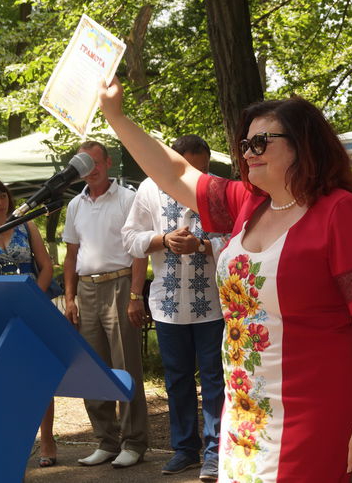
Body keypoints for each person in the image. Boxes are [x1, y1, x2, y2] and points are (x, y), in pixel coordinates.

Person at [98, 79, 352, 483]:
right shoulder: (248, 204)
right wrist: (116, 116)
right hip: (243, 412)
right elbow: (174, 171)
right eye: (245, 143)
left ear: (304, 144)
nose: (247, 152)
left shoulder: (342, 213)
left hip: (313, 413)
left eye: (261, 142)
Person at [121, 135, 226, 480]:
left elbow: (237, 239)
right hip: (167, 304)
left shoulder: (219, 190)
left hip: (212, 304)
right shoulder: (149, 189)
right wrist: (163, 240)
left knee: (214, 380)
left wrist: (203, 246)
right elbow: (130, 239)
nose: (198, 175)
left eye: (203, 168)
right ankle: (185, 449)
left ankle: (215, 452)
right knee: (177, 380)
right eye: (190, 168)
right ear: (173, 163)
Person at [62, 141, 150, 468]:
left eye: (96, 163)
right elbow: (71, 255)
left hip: (121, 282)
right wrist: (69, 299)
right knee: (92, 368)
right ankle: (106, 439)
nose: (92, 170)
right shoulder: (75, 206)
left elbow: (139, 250)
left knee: (125, 366)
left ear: (109, 163)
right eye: (85, 165)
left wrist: (135, 295)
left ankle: (134, 441)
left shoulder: (128, 198)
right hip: (86, 289)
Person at [0, 177, 57, 468]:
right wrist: (3, 306)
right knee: (1, 377)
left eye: (2, 195)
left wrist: (33, 300)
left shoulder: (27, 226)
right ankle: (6, 438)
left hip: (32, 309)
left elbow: (46, 267)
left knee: (39, 373)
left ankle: (47, 439)